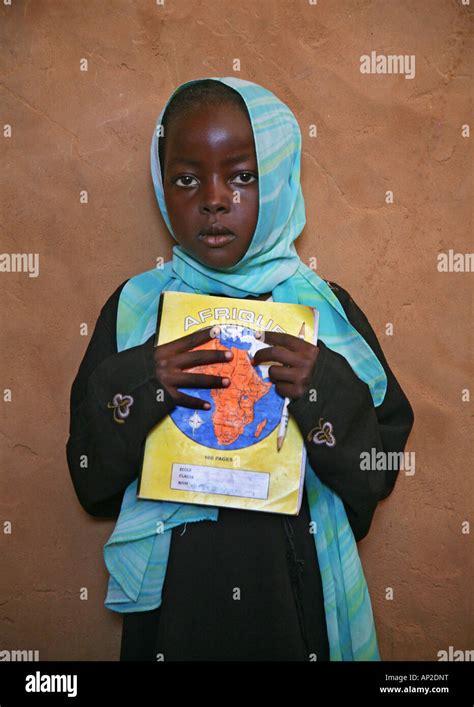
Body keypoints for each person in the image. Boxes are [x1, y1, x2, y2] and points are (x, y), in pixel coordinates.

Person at [66, 77, 414, 662]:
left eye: (242, 176)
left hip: (296, 594)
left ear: (277, 179)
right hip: (174, 608)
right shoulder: (134, 310)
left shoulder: (323, 310)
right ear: (162, 184)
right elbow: (90, 482)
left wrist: (320, 385)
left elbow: (374, 472)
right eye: (186, 178)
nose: (214, 198)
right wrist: (146, 383)